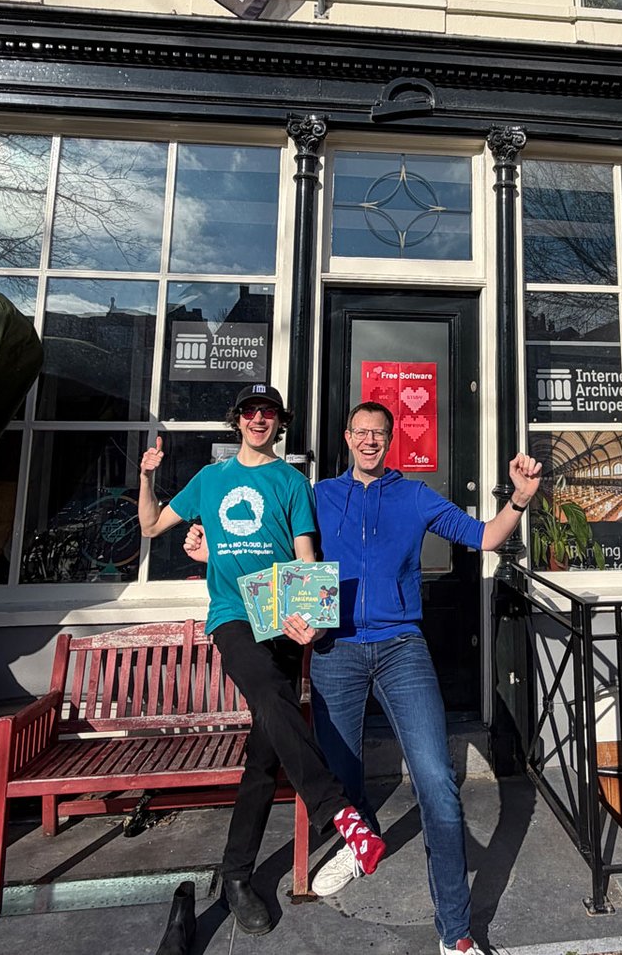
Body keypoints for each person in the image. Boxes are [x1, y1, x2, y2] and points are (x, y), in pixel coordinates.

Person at [138, 384, 386, 936]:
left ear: (279, 423)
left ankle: (236, 876)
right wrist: (148, 477)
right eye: (250, 412)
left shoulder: (293, 482)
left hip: (276, 619)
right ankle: (338, 812)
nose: (258, 419)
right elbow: (152, 527)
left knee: (264, 755)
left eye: (268, 413)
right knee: (275, 699)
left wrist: (309, 618)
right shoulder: (210, 480)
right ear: (238, 421)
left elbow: (305, 556)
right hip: (232, 616)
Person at [305, 401, 540, 955]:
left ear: (390, 441)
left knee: (436, 782)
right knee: (341, 776)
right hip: (333, 649)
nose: (369, 441)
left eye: (378, 434)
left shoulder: (413, 495)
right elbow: (275, 549)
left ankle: (455, 932)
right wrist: (203, 550)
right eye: (360, 432)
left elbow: (483, 537)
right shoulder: (317, 496)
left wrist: (521, 499)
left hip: (400, 649)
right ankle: (356, 844)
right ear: (346, 437)